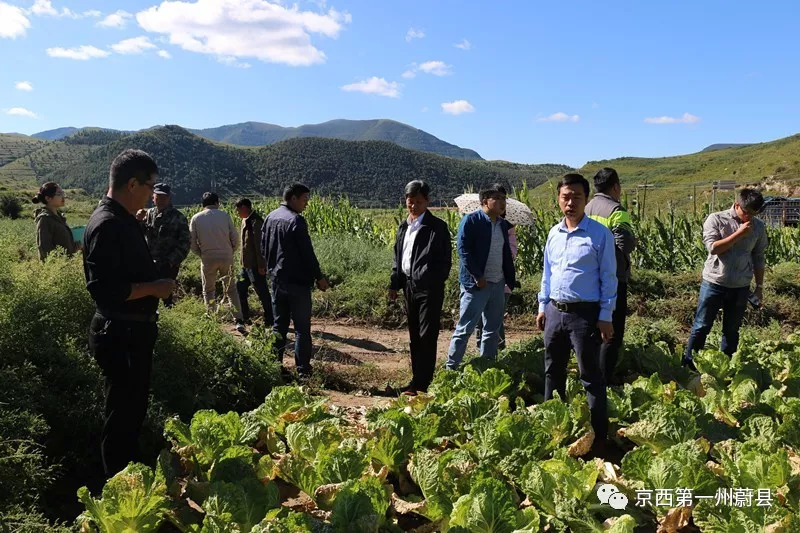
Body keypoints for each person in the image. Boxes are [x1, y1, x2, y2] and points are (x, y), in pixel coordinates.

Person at [83, 149, 176, 477]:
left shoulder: (123, 219)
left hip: (131, 332)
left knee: (130, 411)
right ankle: (117, 491)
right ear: (133, 183)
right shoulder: (108, 223)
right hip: (120, 334)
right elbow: (105, 288)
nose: (153, 195)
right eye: (151, 186)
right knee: (121, 416)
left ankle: (125, 479)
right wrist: (154, 288)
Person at [537, 173, 617, 457]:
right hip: (555, 312)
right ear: (559, 199)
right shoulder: (553, 233)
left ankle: (599, 440)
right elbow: (547, 272)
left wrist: (606, 314)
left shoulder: (599, 234)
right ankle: (552, 431)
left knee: (591, 376)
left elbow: (609, 277)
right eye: (565, 197)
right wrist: (542, 305)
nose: (570, 202)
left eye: (576, 197)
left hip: (586, 315)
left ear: (586, 200)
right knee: (552, 372)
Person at [682, 188, 767, 369]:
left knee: (731, 331)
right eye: (746, 212)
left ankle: (725, 369)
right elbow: (713, 247)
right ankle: (688, 366)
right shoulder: (716, 219)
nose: (749, 218)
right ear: (737, 205)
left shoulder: (759, 227)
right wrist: (738, 234)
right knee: (701, 326)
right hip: (714, 282)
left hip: (740, 286)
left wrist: (759, 287)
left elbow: (759, 257)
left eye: (754, 214)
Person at [389, 180, 452, 395]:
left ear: (427, 201)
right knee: (414, 334)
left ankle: (423, 383)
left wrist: (432, 279)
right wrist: (394, 283)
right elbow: (398, 257)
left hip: (429, 288)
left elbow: (445, 261)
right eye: (410, 201)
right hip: (408, 286)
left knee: (427, 335)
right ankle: (416, 380)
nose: (413, 206)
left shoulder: (437, 227)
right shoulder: (404, 227)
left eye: (418, 201)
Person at [445, 183, 516, 370]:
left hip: (497, 283)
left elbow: (506, 253)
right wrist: (478, 276)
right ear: (485, 201)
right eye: (498, 199)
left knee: (492, 329)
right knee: (465, 328)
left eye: (504, 199)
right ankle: (451, 368)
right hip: (477, 285)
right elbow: (464, 251)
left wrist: (508, 278)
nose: (502, 203)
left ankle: (486, 367)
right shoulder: (471, 221)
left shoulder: (502, 225)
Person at [261, 183, 329, 378]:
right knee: (301, 329)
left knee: (279, 326)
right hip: (297, 283)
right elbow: (307, 254)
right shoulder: (296, 221)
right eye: (304, 199)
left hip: (277, 280)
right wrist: (319, 277)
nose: (306, 204)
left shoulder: (270, 217)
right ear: (293, 198)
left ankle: (274, 367)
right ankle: (303, 372)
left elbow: (263, 247)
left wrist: (272, 269)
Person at [585, 168, 635, 384]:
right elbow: (625, 244)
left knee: (591, 331)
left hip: (588, 279)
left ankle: (587, 374)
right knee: (611, 333)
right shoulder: (617, 210)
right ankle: (604, 380)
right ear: (615, 187)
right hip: (612, 279)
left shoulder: (585, 207)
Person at [189, 192, 246, 333]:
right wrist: (231, 250)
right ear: (216, 202)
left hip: (208, 256)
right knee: (231, 289)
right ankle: (238, 320)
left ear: (203, 204)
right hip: (226, 255)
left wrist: (201, 253)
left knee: (208, 290)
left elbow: (192, 242)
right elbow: (235, 237)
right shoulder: (225, 216)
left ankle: (212, 319)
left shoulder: (196, 218)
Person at [136, 183, 190, 307]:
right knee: (148, 298)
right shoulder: (148, 214)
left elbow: (185, 242)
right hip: (149, 263)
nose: (160, 200)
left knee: (166, 298)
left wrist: (171, 262)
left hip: (167, 265)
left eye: (164, 197)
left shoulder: (178, 217)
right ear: (153, 198)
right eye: (158, 197)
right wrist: (138, 220)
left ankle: (168, 323)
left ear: (169, 198)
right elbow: (138, 234)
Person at [475, 216, 517, 351]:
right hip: (480, 281)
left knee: (494, 321)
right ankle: (480, 351)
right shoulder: (478, 225)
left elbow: (511, 254)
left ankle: (497, 351)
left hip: (501, 282)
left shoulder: (507, 228)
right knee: (479, 321)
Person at [234, 198, 274, 326]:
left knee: (262, 292)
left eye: (238, 209)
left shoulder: (256, 222)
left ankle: (270, 319)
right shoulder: (245, 220)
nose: (237, 212)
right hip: (246, 266)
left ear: (245, 207)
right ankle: (245, 316)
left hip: (255, 265)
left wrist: (262, 265)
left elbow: (259, 246)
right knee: (239, 288)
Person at [32, 182, 79, 260]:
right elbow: (45, 250)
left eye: (63, 193)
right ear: (48, 198)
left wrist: (75, 248)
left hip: (66, 266)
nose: (63, 197)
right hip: (57, 268)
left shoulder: (59, 217)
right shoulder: (45, 219)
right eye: (59, 194)